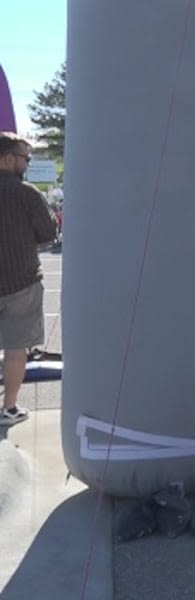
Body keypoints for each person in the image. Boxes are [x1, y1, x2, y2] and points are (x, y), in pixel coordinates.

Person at [0, 133, 59, 426]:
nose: (27, 163)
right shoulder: (27, 194)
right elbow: (49, 234)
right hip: (21, 280)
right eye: (26, 157)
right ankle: (8, 408)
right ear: (9, 159)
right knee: (15, 348)